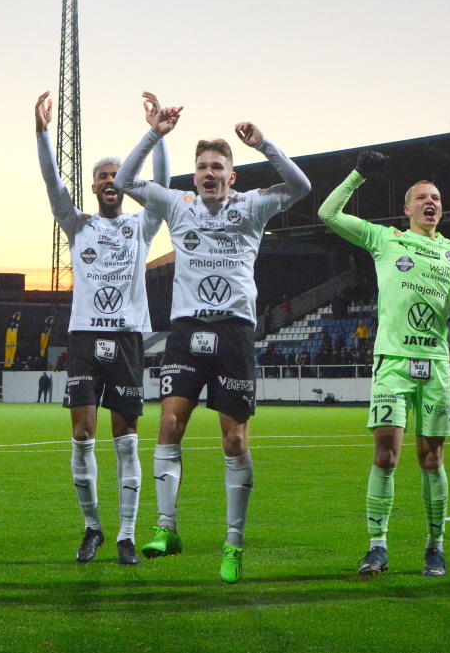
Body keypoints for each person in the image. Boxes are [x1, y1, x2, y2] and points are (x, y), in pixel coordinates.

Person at [115, 93, 310, 583]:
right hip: (186, 330)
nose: (208, 173)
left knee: (234, 439)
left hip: (235, 333)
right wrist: (155, 133)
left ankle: (233, 544)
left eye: (217, 166)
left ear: (231, 176)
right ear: (195, 174)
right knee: (169, 424)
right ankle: (166, 529)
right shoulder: (178, 204)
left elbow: (301, 186)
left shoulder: (252, 206)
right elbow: (125, 181)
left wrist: (264, 144)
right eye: (201, 166)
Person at [318, 151, 450, 578]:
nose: (431, 202)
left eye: (436, 199)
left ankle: (436, 548)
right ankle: (377, 546)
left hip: (435, 364)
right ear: (407, 208)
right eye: (422, 198)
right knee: (386, 456)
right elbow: (328, 214)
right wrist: (358, 174)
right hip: (392, 363)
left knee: (432, 459)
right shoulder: (386, 240)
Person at [36, 90, 170, 565]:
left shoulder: (142, 226)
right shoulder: (78, 225)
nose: (110, 181)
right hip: (85, 337)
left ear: (125, 184)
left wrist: (158, 134)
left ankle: (126, 535)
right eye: (102, 177)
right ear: (93, 187)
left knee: (126, 438)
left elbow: (162, 185)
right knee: (82, 435)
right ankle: (92, 528)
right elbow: (52, 183)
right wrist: (42, 134)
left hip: (128, 337)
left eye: (116, 176)